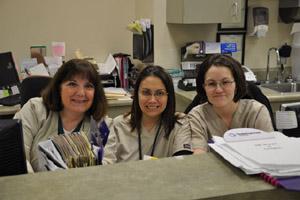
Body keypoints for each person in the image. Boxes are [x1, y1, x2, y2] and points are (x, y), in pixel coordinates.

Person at [14, 59, 110, 172]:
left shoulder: (102, 125)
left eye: (88, 86)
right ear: (59, 87)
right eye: (72, 84)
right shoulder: (35, 110)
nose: (80, 93)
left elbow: (105, 169)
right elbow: (16, 157)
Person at [103, 65, 192, 163]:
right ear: (136, 95)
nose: (152, 100)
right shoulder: (118, 126)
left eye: (159, 93)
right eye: (146, 93)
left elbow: (183, 166)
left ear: (168, 96)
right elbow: (106, 167)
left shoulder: (180, 124)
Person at [188, 54, 274, 154]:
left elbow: (270, 150)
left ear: (236, 84)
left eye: (225, 82)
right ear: (203, 87)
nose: (219, 90)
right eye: (211, 83)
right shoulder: (197, 116)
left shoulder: (256, 112)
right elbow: (199, 155)